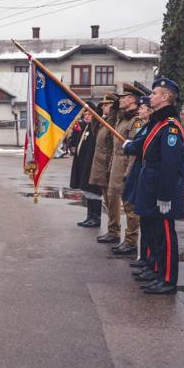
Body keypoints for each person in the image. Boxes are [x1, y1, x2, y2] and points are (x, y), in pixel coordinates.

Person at [130, 77, 184, 295]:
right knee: (155, 232)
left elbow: (170, 164)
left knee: (165, 234)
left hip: (162, 188)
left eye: (154, 93)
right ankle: (156, 271)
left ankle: (167, 279)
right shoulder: (159, 123)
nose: (150, 96)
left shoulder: (171, 127)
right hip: (152, 185)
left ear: (165, 97)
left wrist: (165, 195)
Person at [109, 86, 143, 256]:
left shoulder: (136, 121)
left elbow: (134, 151)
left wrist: (129, 173)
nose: (120, 99)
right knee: (120, 201)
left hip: (126, 166)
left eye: (124, 97)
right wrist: (114, 110)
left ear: (132, 100)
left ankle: (131, 241)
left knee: (130, 207)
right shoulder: (123, 118)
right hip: (117, 163)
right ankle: (124, 238)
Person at [123, 96, 154, 271]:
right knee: (143, 218)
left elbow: (137, 147)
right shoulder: (145, 127)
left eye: (143, 108)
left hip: (144, 174)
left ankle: (147, 257)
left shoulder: (150, 127)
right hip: (139, 173)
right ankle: (144, 257)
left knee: (146, 220)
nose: (140, 110)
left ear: (150, 111)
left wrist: (129, 145)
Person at [89, 94, 118, 244]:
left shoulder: (113, 121)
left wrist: (112, 113)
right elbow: (95, 133)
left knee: (112, 200)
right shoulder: (103, 121)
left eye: (106, 105)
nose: (103, 107)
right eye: (102, 105)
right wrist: (95, 116)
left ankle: (114, 231)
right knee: (107, 200)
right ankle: (111, 229)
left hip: (107, 164)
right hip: (101, 165)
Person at [70, 105, 102, 228]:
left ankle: (96, 217)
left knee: (93, 191)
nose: (86, 116)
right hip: (84, 164)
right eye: (85, 115)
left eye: (89, 114)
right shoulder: (86, 127)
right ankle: (90, 216)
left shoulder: (95, 128)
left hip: (92, 165)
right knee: (87, 192)